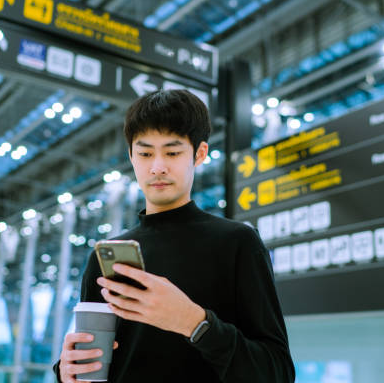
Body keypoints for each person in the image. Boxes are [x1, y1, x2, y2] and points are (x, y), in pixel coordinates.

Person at [53, 89, 295, 382]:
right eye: (144, 153)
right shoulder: (106, 257)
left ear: (199, 154)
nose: (157, 167)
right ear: (131, 156)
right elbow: (95, 364)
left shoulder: (237, 243)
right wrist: (66, 371)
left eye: (172, 152)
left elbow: (277, 372)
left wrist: (194, 322)